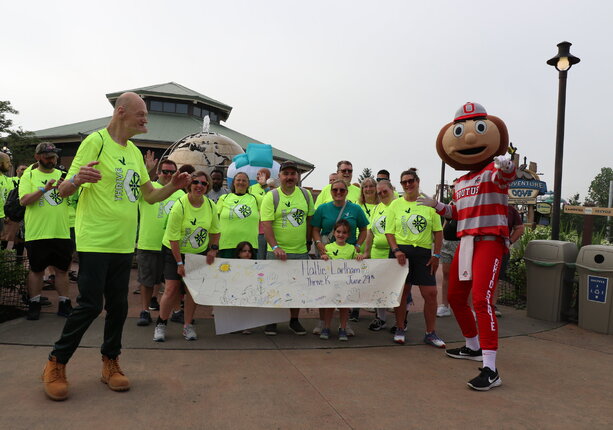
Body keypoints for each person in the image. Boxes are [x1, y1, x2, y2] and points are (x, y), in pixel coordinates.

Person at [42, 92, 191, 401]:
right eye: (142, 113)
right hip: (95, 240)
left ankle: (110, 362)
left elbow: (149, 196)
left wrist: (171, 187)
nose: (146, 119)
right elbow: (64, 190)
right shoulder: (95, 142)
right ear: (121, 111)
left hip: (124, 244)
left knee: (119, 306)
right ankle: (56, 362)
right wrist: (78, 179)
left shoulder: (134, 152)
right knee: (90, 305)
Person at [419, 102, 515, 391]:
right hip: (467, 241)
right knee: (456, 297)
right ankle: (472, 345)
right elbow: (457, 213)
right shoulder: (460, 182)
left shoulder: (492, 171)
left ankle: (491, 368)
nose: (470, 139)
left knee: (482, 301)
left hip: (489, 241)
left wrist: (507, 166)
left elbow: (506, 177)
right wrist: (437, 206)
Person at [153, 171, 220, 342]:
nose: (199, 186)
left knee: (192, 290)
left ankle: (188, 325)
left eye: (204, 183)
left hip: (197, 252)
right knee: (171, 288)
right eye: (196, 182)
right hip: (174, 251)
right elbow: (173, 238)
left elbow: (215, 231)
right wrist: (179, 263)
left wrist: (213, 249)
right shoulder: (180, 206)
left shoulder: (211, 205)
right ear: (189, 185)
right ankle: (161, 323)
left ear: (208, 186)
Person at [385, 168, 445, 348]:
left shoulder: (428, 203)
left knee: (431, 293)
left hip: (423, 254)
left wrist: (436, 254)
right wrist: (396, 250)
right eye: (404, 182)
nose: (408, 184)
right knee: (402, 293)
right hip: (401, 254)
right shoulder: (395, 204)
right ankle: (400, 328)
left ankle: (430, 333)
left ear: (417, 181)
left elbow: (438, 232)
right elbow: (389, 231)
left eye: (411, 181)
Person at [18, 143, 73, 320]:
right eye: (47, 156)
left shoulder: (63, 175)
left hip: (61, 231)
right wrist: (44, 189)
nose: (52, 160)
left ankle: (64, 303)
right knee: (36, 270)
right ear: (37, 157)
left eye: (54, 156)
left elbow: (74, 197)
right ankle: (34, 303)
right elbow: (24, 200)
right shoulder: (29, 175)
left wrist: (70, 187)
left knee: (62, 270)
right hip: (37, 232)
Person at [260, 161, 314, 336]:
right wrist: (275, 246)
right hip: (276, 252)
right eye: (286, 174)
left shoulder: (306, 195)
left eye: (293, 174)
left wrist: (308, 242)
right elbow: (266, 224)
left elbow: (309, 220)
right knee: (274, 287)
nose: (289, 177)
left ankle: (294, 320)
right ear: (279, 176)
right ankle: (272, 321)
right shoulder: (271, 196)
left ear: (297, 176)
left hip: (299, 251)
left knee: (296, 288)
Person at [311, 179, 369, 333]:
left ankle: (344, 324)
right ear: (330, 191)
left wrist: (357, 246)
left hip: (347, 256)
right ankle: (322, 322)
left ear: (347, 192)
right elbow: (315, 229)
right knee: (324, 289)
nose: (338, 192)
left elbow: (364, 229)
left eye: (342, 190)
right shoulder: (323, 208)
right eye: (335, 190)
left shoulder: (355, 209)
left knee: (345, 290)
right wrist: (318, 243)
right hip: (327, 254)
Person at [135, 159, 185, 326]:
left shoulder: (180, 193)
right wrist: (146, 169)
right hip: (149, 242)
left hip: (172, 246)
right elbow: (134, 188)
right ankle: (145, 311)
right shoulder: (148, 189)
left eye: (172, 172)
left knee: (173, 282)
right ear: (158, 173)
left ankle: (176, 311)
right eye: (165, 171)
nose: (168, 175)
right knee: (147, 281)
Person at [319, 219, 364, 341]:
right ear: (334, 233)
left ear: (348, 235)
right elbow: (324, 261)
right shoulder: (328, 247)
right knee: (329, 307)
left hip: (346, 284)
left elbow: (357, 260)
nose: (341, 235)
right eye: (338, 232)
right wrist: (324, 257)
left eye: (344, 232)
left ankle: (343, 328)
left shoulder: (351, 248)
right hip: (331, 284)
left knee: (344, 307)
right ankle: (326, 328)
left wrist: (359, 257)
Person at [363, 179, 397, 330]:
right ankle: (381, 318)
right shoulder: (377, 208)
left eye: (385, 191)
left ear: (392, 190)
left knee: (398, 288)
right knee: (379, 288)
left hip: (394, 253)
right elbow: (370, 232)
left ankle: (401, 321)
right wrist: (367, 252)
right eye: (379, 192)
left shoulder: (399, 205)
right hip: (377, 253)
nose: (382, 194)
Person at [216, 171, 261, 258]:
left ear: (248, 184)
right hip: (227, 245)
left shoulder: (255, 198)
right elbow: (215, 221)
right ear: (233, 182)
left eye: (244, 180)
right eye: (238, 180)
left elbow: (271, 200)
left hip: (249, 246)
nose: (241, 182)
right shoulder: (224, 198)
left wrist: (264, 186)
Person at [494, 205, 525, 316]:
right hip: (481, 246)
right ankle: (477, 306)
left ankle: (492, 305)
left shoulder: (510, 210)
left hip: (501, 249)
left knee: (496, 278)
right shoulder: (483, 204)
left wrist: (510, 241)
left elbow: (520, 228)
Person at [437, 184, 458, 318]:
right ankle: (445, 305)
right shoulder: (450, 204)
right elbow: (446, 222)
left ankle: (468, 308)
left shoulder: (466, 203)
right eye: (452, 187)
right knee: (446, 274)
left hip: (460, 242)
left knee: (464, 276)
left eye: (455, 186)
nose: (453, 189)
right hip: (447, 243)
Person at [1, 164, 27, 256]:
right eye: (22, 169)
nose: (24, 171)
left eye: (26, 169)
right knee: (6, 237)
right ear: (17, 171)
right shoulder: (9, 180)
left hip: (23, 214)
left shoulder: (28, 181)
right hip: (12, 213)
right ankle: (3, 257)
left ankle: (18, 261)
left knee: (20, 239)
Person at [249, 168, 270, 260]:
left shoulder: (273, 187)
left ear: (268, 177)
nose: (258, 176)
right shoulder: (251, 188)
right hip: (256, 227)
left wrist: (265, 185)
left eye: (261, 175)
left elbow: (271, 198)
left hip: (270, 227)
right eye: (257, 174)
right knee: (259, 256)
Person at [0, 152, 15, 235]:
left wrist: (7, 215)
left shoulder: (6, 179)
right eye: (7, 162)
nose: (10, 165)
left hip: (2, 217)